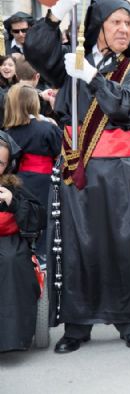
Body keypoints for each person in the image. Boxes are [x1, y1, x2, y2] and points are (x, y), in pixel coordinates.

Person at [24, 0, 130, 353]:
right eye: (115, 22)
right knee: (79, 245)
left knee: (126, 245)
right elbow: (36, 52)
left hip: (124, 171)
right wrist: (56, 13)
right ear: (99, 26)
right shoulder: (72, 61)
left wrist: (91, 76)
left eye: (127, 23)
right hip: (79, 168)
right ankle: (77, 324)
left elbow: (128, 108)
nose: (124, 29)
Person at [4, 84, 61, 264]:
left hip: (18, 180)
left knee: (24, 215)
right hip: (45, 180)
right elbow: (60, 153)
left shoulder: (8, 132)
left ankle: (28, 252)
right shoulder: (47, 128)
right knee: (46, 216)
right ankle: (44, 255)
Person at [0, 130, 44, 353]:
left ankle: (9, 337)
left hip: (9, 242)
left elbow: (37, 218)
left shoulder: (14, 186)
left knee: (12, 260)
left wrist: (13, 202)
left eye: (0, 163)